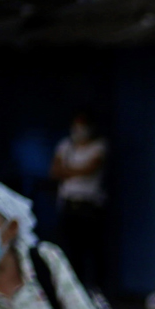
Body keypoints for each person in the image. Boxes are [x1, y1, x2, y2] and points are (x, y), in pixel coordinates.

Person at [50, 109, 110, 290]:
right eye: (76, 125)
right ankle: (74, 292)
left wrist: (68, 171)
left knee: (93, 251)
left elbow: (88, 169)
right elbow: (55, 171)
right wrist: (74, 171)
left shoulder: (99, 145)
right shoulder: (65, 145)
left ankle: (98, 291)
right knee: (70, 251)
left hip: (90, 206)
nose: (79, 129)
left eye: (83, 125)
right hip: (68, 204)